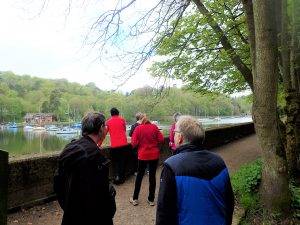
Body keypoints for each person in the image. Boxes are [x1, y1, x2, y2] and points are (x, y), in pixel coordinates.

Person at [156, 115, 234, 225]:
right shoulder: (219, 162)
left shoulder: (171, 166)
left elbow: (164, 212)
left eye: (174, 132)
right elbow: (229, 202)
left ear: (180, 137)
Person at [54, 112, 116, 225]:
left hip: (71, 215)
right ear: (101, 128)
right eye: (105, 126)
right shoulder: (96, 156)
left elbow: (58, 184)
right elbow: (101, 197)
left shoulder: (70, 148)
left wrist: (68, 207)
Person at [130, 115, 164, 206]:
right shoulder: (154, 127)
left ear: (141, 121)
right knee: (152, 176)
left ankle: (135, 198)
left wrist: (140, 145)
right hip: (154, 155)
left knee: (139, 176)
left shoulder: (138, 128)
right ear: (149, 121)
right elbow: (161, 139)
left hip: (142, 155)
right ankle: (151, 199)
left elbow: (133, 143)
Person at [106, 107, 128, 184]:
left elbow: (104, 133)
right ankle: (122, 178)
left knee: (115, 162)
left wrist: (98, 144)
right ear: (118, 113)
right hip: (123, 145)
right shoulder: (122, 120)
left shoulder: (108, 122)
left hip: (114, 146)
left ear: (111, 114)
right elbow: (124, 130)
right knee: (122, 161)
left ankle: (116, 177)